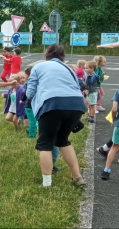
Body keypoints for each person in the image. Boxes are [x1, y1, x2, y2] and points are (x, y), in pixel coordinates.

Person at [26, 44, 86, 187]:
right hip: (76, 104)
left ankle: (47, 183)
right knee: (63, 140)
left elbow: (29, 92)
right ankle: (77, 177)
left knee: (45, 144)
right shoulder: (68, 68)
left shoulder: (38, 67)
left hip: (52, 104)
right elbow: (78, 86)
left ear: (46, 55)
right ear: (62, 56)